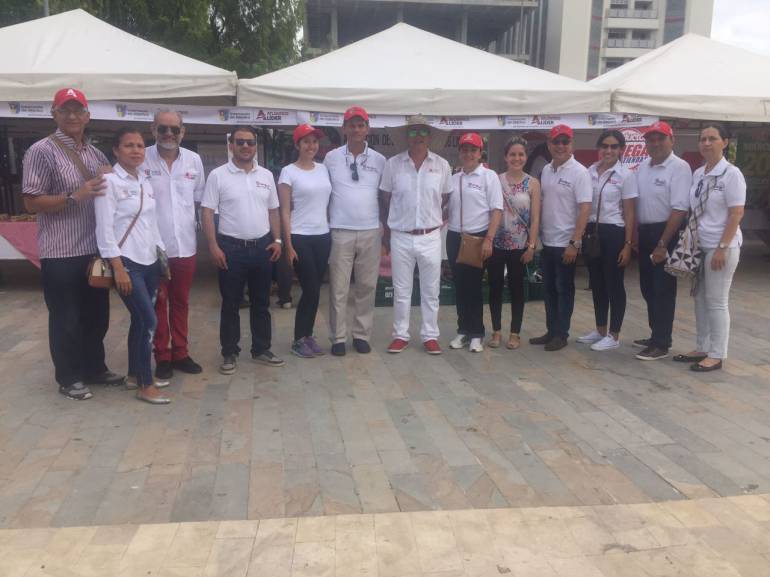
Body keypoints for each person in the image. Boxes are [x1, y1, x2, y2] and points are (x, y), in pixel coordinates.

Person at [22, 88, 124, 401]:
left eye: (78, 110)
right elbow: (30, 202)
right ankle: (68, 377)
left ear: (87, 116)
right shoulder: (41, 150)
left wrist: (110, 176)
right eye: (65, 110)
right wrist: (73, 197)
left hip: (93, 251)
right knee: (66, 317)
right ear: (54, 114)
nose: (72, 116)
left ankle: (94, 368)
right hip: (61, 251)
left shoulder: (96, 155)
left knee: (97, 315)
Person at [94, 127, 170, 404]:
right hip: (127, 263)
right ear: (116, 150)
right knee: (149, 320)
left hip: (150, 262)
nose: (136, 150)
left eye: (140, 145)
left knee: (140, 321)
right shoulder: (109, 183)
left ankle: (134, 375)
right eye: (129, 145)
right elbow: (104, 230)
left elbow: (151, 224)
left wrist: (162, 257)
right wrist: (118, 267)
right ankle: (146, 385)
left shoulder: (144, 182)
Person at [201, 126, 284, 375]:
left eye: (250, 142)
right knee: (230, 304)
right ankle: (229, 352)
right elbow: (207, 211)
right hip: (231, 248)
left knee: (262, 302)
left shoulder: (266, 175)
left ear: (255, 145)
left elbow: (273, 210)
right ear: (231, 145)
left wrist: (278, 240)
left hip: (262, 247)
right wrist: (213, 246)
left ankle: (261, 349)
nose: (245, 146)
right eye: (240, 142)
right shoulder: (218, 175)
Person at [673, 124, 745, 372]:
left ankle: (717, 353)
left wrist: (722, 247)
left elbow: (736, 213)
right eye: (702, 139)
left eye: (712, 139)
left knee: (716, 301)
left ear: (724, 142)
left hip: (721, 246)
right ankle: (702, 346)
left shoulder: (731, 174)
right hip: (699, 246)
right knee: (700, 299)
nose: (706, 143)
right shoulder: (699, 173)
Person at [380, 115, 452, 354]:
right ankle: (401, 334)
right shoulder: (393, 164)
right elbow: (385, 198)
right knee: (401, 290)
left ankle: (430, 335)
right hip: (400, 235)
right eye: (412, 133)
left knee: (431, 290)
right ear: (406, 137)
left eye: (422, 133)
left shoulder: (441, 165)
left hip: (430, 235)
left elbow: (445, 198)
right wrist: (387, 233)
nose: (418, 137)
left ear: (429, 136)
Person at [142, 110, 205, 380]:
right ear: (153, 129)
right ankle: (162, 355)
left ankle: (180, 352)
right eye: (163, 129)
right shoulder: (141, 158)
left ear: (183, 132)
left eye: (174, 129)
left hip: (185, 247)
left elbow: (200, 200)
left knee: (180, 302)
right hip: (152, 247)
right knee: (159, 302)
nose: (169, 134)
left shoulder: (194, 160)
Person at [324, 106, 386, 356]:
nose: (356, 129)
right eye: (352, 124)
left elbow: (384, 197)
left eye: (361, 125)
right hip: (340, 230)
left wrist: (387, 232)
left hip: (371, 230)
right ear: (344, 128)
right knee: (338, 288)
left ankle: (361, 334)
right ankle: (338, 337)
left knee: (367, 287)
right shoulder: (331, 158)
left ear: (367, 128)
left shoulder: (380, 160)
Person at [529, 124, 592, 352]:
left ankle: (561, 334)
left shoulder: (580, 172)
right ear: (549, 144)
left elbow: (585, 209)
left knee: (564, 289)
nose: (561, 146)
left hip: (566, 243)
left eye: (565, 142)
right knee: (548, 289)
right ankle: (551, 330)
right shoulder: (546, 170)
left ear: (571, 144)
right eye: (556, 142)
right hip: (548, 242)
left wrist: (575, 242)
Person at [634, 121, 692, 361]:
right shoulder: (643, 167)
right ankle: (655, 333)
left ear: (672, 140)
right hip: (645, 232)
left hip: (665, 233)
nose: (655, 143)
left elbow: (679, 209)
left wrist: (662, 244)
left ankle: (662, 342)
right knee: (647, 287)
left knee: (663, 289)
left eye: (661, 138)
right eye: (651, 139)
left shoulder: (679, 167)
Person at [577, 130, 638, 351]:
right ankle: (600, 330)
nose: (608, 150)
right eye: (605, 146)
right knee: (597, 284)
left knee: (614, 284)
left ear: (621, 149)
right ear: (599, 148)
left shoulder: (626, 175)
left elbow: (630, 213)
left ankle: (614, 335)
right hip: (592, 231)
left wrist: (628, 244)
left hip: (614, 232)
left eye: (613, 147)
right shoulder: (589, 171)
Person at [278, 124, 332, 358]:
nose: (311, 146)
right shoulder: (288, 172)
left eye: (315, 142)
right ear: (297, 145)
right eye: (306, 141)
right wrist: (287, 244)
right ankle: (299, 339)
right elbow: (284, 211)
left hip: (323, 236)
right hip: (300, 236)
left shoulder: (323, 169)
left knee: (316, 290)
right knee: (309, 289)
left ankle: (308, 335)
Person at [446, 132, 503, 353]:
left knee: (474, 287)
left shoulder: (489, 177)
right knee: (459, 286)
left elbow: (496, 211)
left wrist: (489, 239)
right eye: (465, 150)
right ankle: (463, 330)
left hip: (477, 237)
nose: (468, 154)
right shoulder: (454, 178)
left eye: (473, 150)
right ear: (460, 152)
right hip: (454, 236)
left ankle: (477, 332)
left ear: (480, 153)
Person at [487, 136, 540, 350]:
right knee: (495, 288)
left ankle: (515, 333)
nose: (516, 158)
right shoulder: (495, 180)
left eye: (520, 154)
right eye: (512, 154)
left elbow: (536, 218)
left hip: (520, 246)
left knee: (518, 290)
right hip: (496, 244)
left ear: (525, 157)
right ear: (505, 157)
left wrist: (532, 245)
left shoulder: (533, 183)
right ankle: (497, 331)